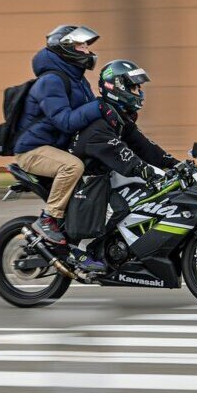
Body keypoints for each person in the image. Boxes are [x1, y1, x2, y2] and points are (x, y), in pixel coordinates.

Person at [66, 59, 181, 272]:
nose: (139, 92)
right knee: (123, 205)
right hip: (87, 182)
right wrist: (145, 170)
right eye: (134, 86)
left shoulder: (118, 119)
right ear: (117, 87)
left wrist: (174, 164)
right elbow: (121, 153)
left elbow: (145, 147)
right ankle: (79, 250)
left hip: (102, 178)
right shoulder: (99, 124)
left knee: (146, 192)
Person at [13, 24, 111, 250]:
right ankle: (48, 219)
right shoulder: (51, 81)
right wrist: (99, 106)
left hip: (55, 147)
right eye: (81, 45)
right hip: (33, 151)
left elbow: (89, 118)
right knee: (72, 167)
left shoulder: (77, 80)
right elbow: (65, 121)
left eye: (87, 45)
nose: (87, 50)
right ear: (65, 48)